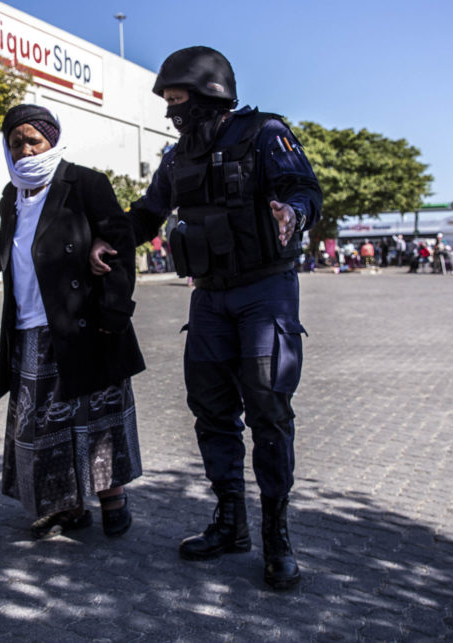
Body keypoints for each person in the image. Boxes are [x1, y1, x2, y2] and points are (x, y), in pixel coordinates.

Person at [89, 46, 322, 589]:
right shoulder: (178, 158)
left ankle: (277, 535)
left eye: (179, 102)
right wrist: (107, 239)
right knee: (211, 410)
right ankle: (230, 522)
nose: (173, 113)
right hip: (210, 297)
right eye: (168, 104)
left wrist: (293, 213)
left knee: (268, 410)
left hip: (266, 290)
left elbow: (304, 189)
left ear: (210, 95)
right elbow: (148, 213)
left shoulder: (265, 134)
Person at [0, 104, 145, 540]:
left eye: (33, 140)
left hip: (85, 324)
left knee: (96, 418)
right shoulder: (12, 195)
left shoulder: (85, 184)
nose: (24, 149)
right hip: (30, 330)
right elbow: (9, 243)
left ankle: (113, 500)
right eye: (15, 142)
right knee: (46, 424)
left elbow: (119, 243)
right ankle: (67, 505)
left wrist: (115, 311)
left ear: (52, 140)